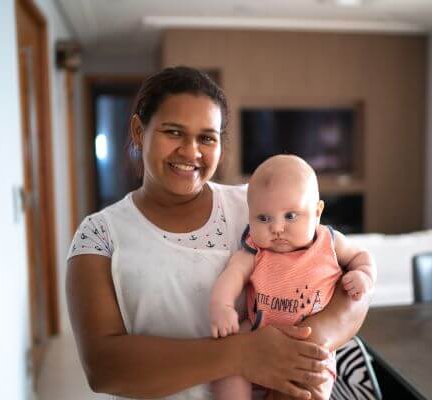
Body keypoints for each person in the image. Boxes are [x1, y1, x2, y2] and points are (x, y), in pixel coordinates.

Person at [66, 66, 371, 400]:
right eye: (174, 132)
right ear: (139, 131)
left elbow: (346, 284)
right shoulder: (100, 235)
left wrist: (302, 347)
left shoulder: (257, 207)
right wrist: (243, 353)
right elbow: (103, 367)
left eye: (206, 138)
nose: (191, 151)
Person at [209, 155, 376, 399]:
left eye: (290, 216)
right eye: (263, 218)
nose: (276, 228)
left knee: (310, 384)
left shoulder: (329, 242)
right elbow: (232, 275)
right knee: (227, 366)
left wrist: (363, 275)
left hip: (308, 350)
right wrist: (221, 306)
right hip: (257, 335)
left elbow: (361, 255)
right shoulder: (256, 249)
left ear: (317, 212)